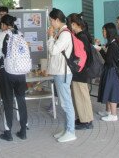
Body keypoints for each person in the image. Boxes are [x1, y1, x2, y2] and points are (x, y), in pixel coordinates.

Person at [0, 15, 28, 141]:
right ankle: (23, 131)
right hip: (21, 72)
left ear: (3, 25)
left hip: (7, 72)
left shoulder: (3, 35)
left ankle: (8, 133)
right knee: (21, 100)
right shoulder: (20, 34)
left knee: (7, 101)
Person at [47, 8, 76, 143]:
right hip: (59, 71)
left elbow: (53, 50)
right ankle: (67, 129)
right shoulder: (62, 32)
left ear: (57, 20)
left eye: (51, 20)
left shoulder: (65, 34)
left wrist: (50, 37)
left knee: (66, 103)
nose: (50, 23)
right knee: (64, 102)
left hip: (63, 72)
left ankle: (71, 131)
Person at [66, 13, 94, 129]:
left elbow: (83, 56)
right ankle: (82, 118)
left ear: (74, 24)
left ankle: (87, 121)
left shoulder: (81, 36)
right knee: (79, 95)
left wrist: (78, 68)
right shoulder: (83, 34)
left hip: (81, 71)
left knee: (82, 96)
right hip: (81, 71)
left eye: (69, 24)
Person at [97, 23, 119, 122]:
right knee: (107, 89)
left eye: (104, 30)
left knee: (112, 91)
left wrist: (100, 50)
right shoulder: (112, 42)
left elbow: (108, 59)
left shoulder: (113, 45)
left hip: (111, 70)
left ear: (109, 32)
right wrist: (100, 47)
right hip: (109, 69)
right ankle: (108, 111)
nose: (103, 32)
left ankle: (113, 114)